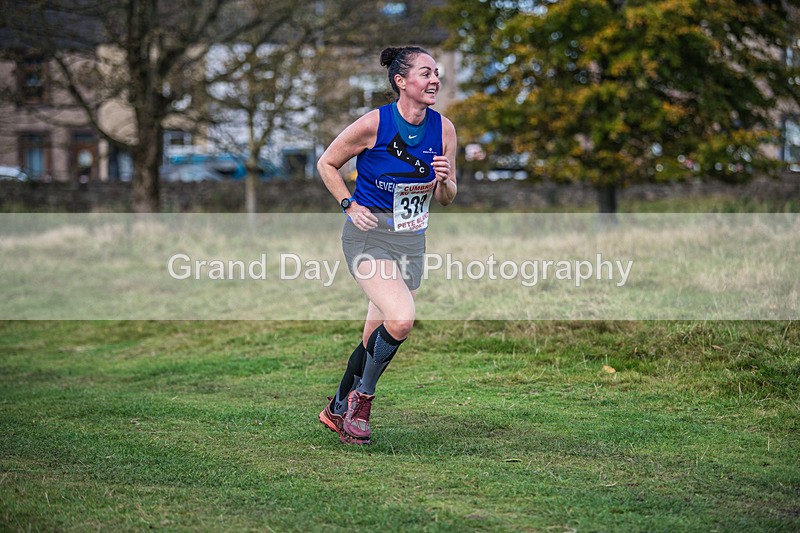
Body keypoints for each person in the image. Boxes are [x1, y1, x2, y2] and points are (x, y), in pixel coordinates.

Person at [317, 46, 458, 445]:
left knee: (373, 336)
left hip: (411, 241)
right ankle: (361, 402)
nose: (435, 80)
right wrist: (349, 204)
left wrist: (445, 179)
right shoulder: (374, 124)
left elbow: (447, 197)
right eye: (425, 73)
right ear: (401, 81)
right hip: (368, 237)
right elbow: (327, 163)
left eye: (436, 73)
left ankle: (336, 408)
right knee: (401, 319)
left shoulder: (444, 129)